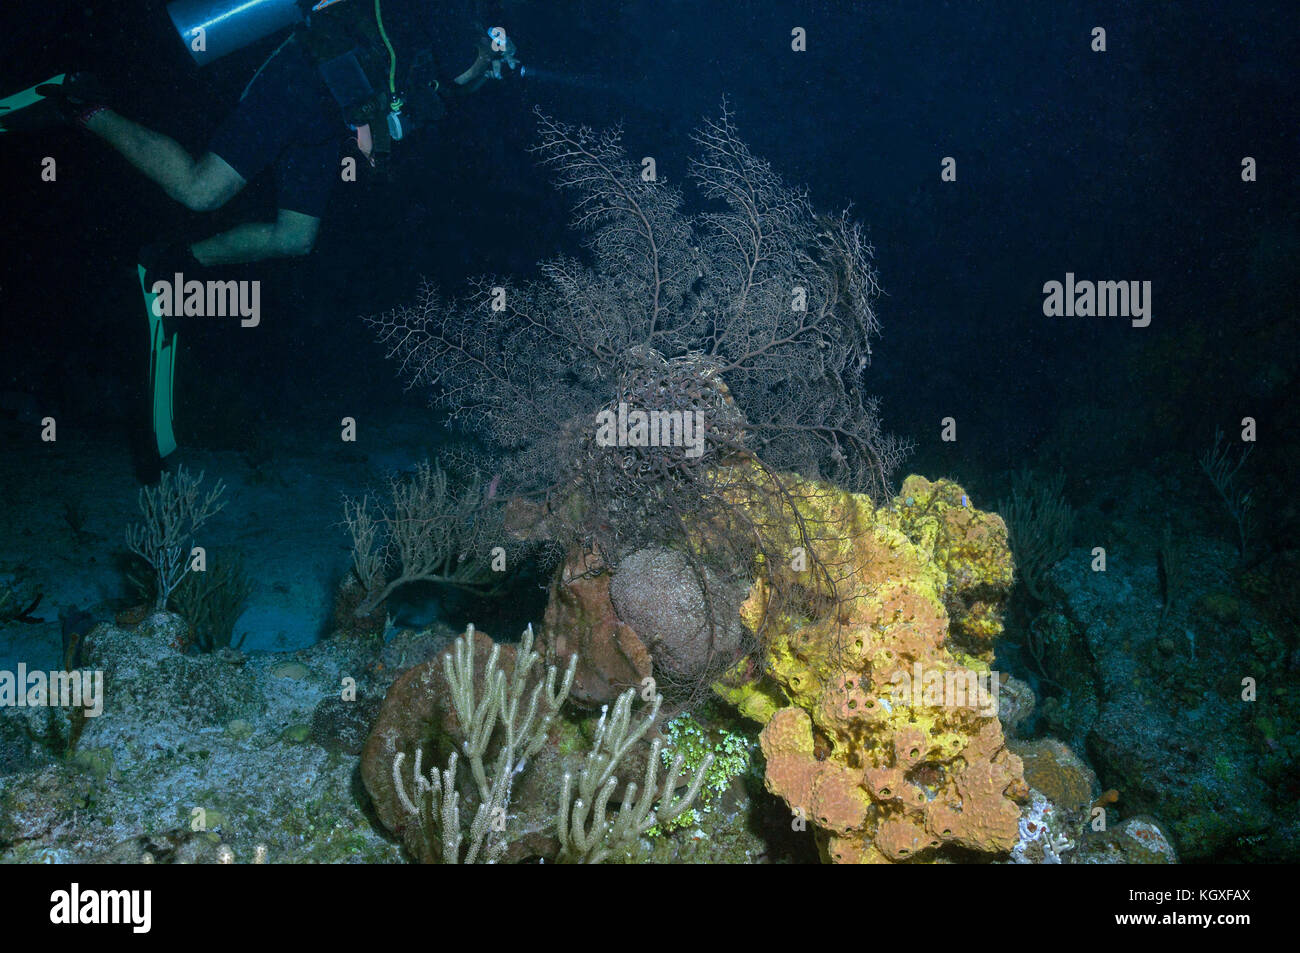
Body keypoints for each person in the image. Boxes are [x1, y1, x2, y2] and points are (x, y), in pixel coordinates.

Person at [42, 0, 515, 272]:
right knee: (201, 190)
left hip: (329, 119)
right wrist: (495, 51)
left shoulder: (431, 59)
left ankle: (174, 263)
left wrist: (490, 55)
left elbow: (393, 116)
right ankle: (84, 110)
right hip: (303, 79)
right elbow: (463, 67)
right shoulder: (455, 26)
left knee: (295, 238)